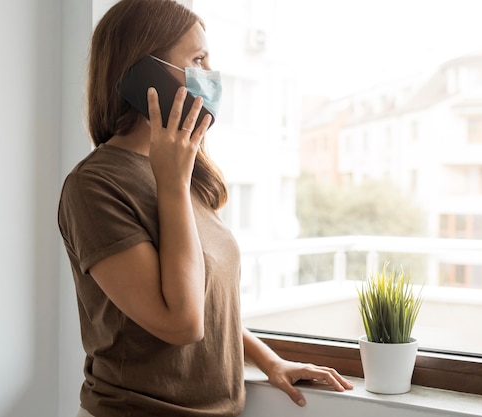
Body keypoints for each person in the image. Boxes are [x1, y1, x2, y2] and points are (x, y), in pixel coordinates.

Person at [57, 1, 353, 416]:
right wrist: (172, 183)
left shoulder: (184, 171)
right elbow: (182, 322)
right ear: (145, 75)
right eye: (197, 59)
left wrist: (271, 361)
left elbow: (206, 299)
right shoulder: (94, 186)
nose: (210, 75)